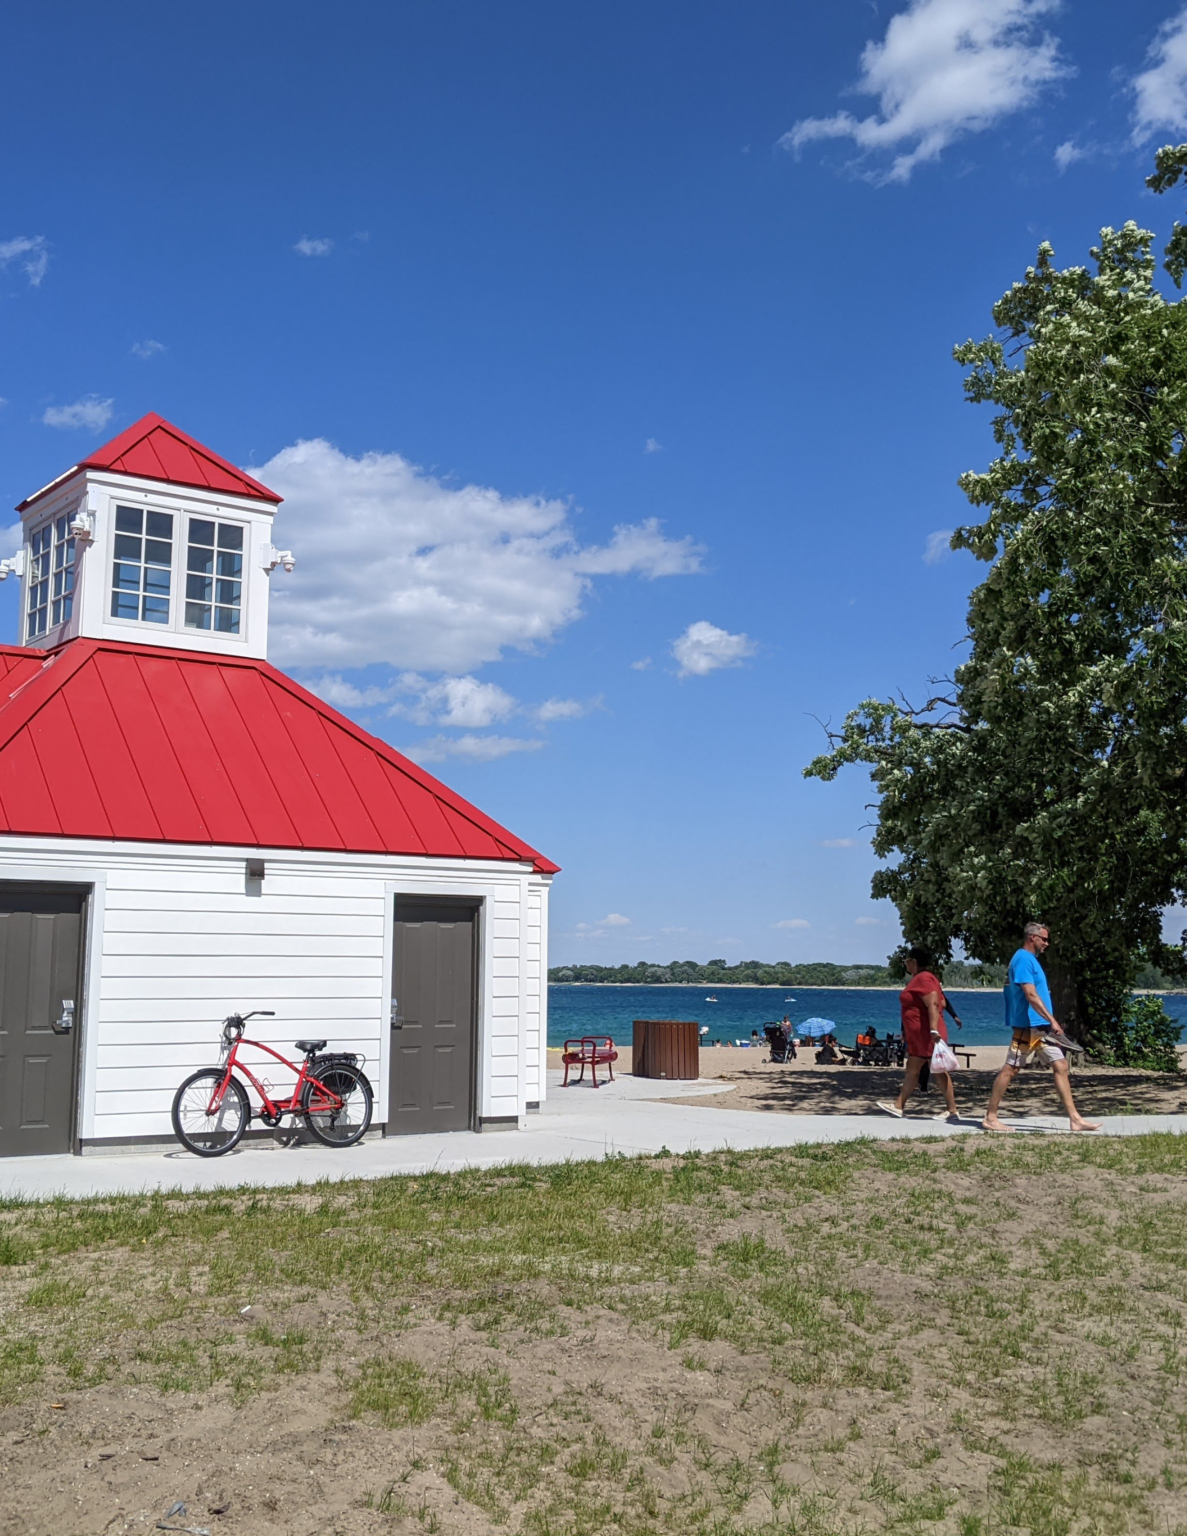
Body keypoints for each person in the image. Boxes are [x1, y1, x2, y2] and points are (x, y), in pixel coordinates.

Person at [983, 923, 1100, 1133]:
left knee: (1061, 1066)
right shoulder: (1023, 960)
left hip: (1040, 1028)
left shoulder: (1030, 960)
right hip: (1028, 1027)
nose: (1047, 943)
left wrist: (1048, 1023)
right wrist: (1053, 1020)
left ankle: (1075, 1119)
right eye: (1044, 939)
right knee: (1011, 1068)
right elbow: (1030, 994)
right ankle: (991, 1117)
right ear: (1032, 938)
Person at [878, 946, 960, 1122]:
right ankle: (898, 1106)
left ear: (913, 962)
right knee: (913, 1069)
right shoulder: (921, 979)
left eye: (906, 960)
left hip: (927, 1035)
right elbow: (942, 1001)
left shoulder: (924, 978)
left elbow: (935, 1004)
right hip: (920, 1036)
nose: (905, 963)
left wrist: (933, 1029)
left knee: (938, 1071)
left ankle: (952, 1110)